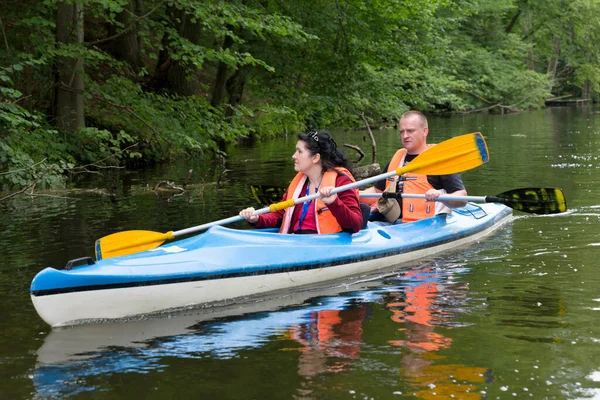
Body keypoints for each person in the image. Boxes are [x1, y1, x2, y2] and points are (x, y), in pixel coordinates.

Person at [239, 130, 363, 234]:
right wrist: (256, 218)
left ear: (315, 158)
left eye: (299, 151)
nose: (294, 156)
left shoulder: (341, 182)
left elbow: (356, 224)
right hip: (297, 242)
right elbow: (280, 215)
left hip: (325, 245)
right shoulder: (301, 183)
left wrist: (334, 203)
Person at [361, 110, 467, 223]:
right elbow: (377, 192)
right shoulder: (397, 158)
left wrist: (440, 196)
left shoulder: (439, 161)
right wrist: (350, 194)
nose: (405, 136)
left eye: (410, 131)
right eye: (402, 132)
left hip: (425, 225)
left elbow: (462, 198)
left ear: (425, 131)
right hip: (390, 223)